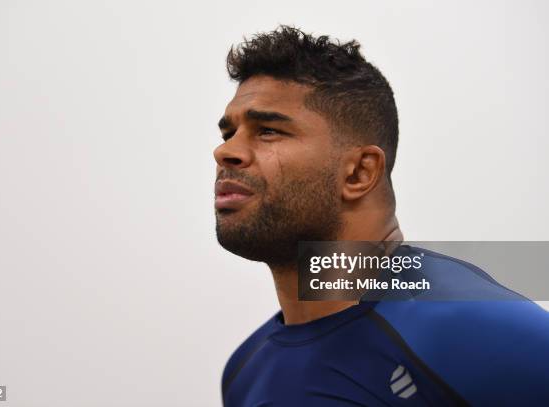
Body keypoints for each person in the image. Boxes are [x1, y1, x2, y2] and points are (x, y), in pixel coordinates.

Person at [213, 26, 549, 406]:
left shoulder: (480, 329)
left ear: (359, 172)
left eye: (268, 131)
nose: (225, 152)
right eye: (229, 133)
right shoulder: (245, 371)